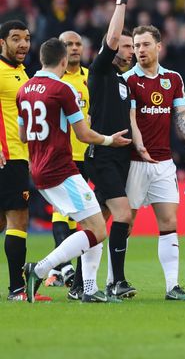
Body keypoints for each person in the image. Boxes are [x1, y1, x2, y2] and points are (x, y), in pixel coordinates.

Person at [19, 38, 131, 303]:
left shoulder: (24, 89)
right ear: (63, 61)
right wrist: (108, 140)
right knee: (99, 229)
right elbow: (83, 134)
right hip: (61, 170)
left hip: (39, 170)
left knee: (92, 226)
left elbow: (24, 135)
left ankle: (89, 289)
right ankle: (40, 269)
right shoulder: (63, 89)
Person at [123, 24, 185, 300]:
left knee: (168, 222)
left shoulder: (173, 79)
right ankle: (113, 281)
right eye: (136, 45)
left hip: (163, 163)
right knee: (125, 224)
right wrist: (139, 144)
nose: (139, 50)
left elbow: (182, 119)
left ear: (158, 46)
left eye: (145, 44)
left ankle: (171, 287)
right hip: (134, 162)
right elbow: (131, 119)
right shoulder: (128, 80)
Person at [83, 0, 137, 300]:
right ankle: (117, 281)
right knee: (124, 215)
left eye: (132, 47)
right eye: (126, 47)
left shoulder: (123, 81)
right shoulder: (101, 69)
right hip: (101, 154)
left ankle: (76, 280)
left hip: (120, 156)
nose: (128, 51)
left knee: (99, 224)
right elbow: (114, 36)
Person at [0, 20, 44, 301]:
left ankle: (16, 287)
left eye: (26, 38)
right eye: (16, 39)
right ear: (2, 42)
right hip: (9, 157)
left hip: (20, 156)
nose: (23, 44)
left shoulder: (21, 73)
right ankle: (17, 288)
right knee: (18, 220)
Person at [44, 31, 89, 296]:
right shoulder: (53, 79)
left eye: (77, 44)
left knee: (77, 214)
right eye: (68, 44)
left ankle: (58, 269)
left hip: (87, 155)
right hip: (62, 156)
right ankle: (66, 268)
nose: (74, 48)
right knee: (62, 212)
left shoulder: (89, 77)